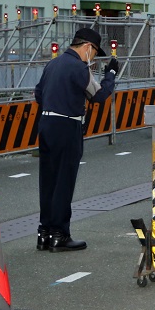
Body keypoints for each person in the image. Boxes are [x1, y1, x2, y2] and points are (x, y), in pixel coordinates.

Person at [34, 28, 117, 252]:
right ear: (88, 47)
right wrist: (110, 76)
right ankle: (60, 235)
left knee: (48, 180)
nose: (93, 59)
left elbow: (38, 94)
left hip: (46, 124)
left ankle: (45, 233)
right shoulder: (78, 67)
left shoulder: (53, 64)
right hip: (67, 125)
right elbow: (98, 95)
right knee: (64, 180)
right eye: (95, 53)